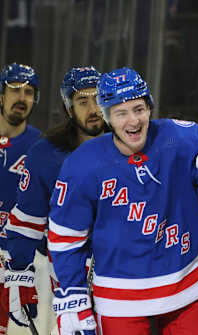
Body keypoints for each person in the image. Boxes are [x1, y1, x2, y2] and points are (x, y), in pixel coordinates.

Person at [47, 67, 198, 335]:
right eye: (121, 113)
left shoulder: (182, 138)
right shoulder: (82, 164)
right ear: (108, 117)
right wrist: (73, 300)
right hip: (120, 298)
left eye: (139, 109)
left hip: (186, 287)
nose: (133, 121)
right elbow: (66, 237)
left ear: (150, 107)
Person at [2, 67, 104, 330]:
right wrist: (20, 275)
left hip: (124, 273)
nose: (93, 108)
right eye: (83, 101)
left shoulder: (128, 144)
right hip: (66, 275)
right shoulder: (47, 154)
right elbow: (27, 222)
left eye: (98, 98)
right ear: (69, 108)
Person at [0, 63, 41, 335]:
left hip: (17, 264)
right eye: (15, 90)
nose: (22, 98)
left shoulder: (41, 148)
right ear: (1, 96)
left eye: (29, 92)